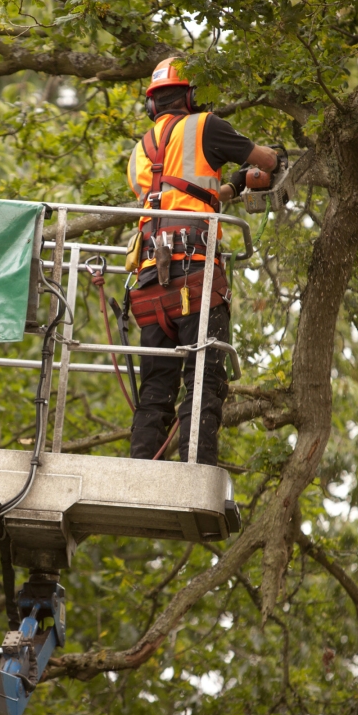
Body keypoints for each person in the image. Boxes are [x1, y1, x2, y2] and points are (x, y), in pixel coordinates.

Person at [126, 57, 277, 466]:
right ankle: (195, 467)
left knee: (156, 384)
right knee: (204, 379)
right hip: (195, 276)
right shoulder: (206, 125)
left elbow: (185, 194)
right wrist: (270, 162)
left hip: (149, 284)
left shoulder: (139, 150)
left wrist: (230, 187)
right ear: (191, 95)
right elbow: (264, 160)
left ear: (152, 105)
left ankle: (141, 468)